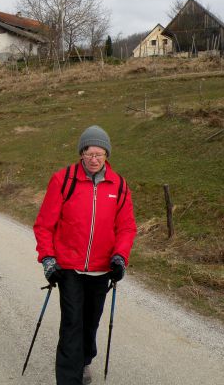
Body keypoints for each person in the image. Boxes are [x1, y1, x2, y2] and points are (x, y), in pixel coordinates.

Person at [33, 125, 137, 385]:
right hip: (69, 268)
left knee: (91, 322)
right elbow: (44, 224)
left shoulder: (119, 186)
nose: (94, 159)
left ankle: (84, 360)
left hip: (102, 269)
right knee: (72, 323)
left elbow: (126, 227)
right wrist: (48, 258)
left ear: (107, 156)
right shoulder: (63, 180)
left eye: (99, 154)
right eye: (89, 153)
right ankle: (69, 378)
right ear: (81, 153)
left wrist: (120, 257)